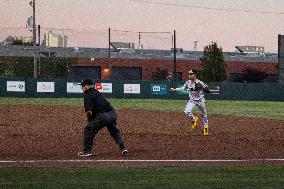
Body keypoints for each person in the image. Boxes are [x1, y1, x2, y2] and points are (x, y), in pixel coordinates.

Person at [77, 79, 128, 157]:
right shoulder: (97, 92)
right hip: (112, 114)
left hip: (103, 116)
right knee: (113, 130)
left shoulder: (88, 95)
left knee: (88, 129)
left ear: (87, 86)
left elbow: (89, 112)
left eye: (83, 86)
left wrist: (90, 121)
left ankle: (86, 151)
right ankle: (123, 148)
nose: (82, 87)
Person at [169, 69, 211, 136]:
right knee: (186, 111)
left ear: (195, 75)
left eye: (191, 74)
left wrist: (203, 88)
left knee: (204, 114)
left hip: (200, 100)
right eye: (189, 74)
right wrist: (174, 89)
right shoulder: (188, 82)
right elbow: (183, 88)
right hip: (192, 101)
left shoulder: (200, 82)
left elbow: (208, 91)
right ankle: (194, 118)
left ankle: (206, 127)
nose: (190, 75)